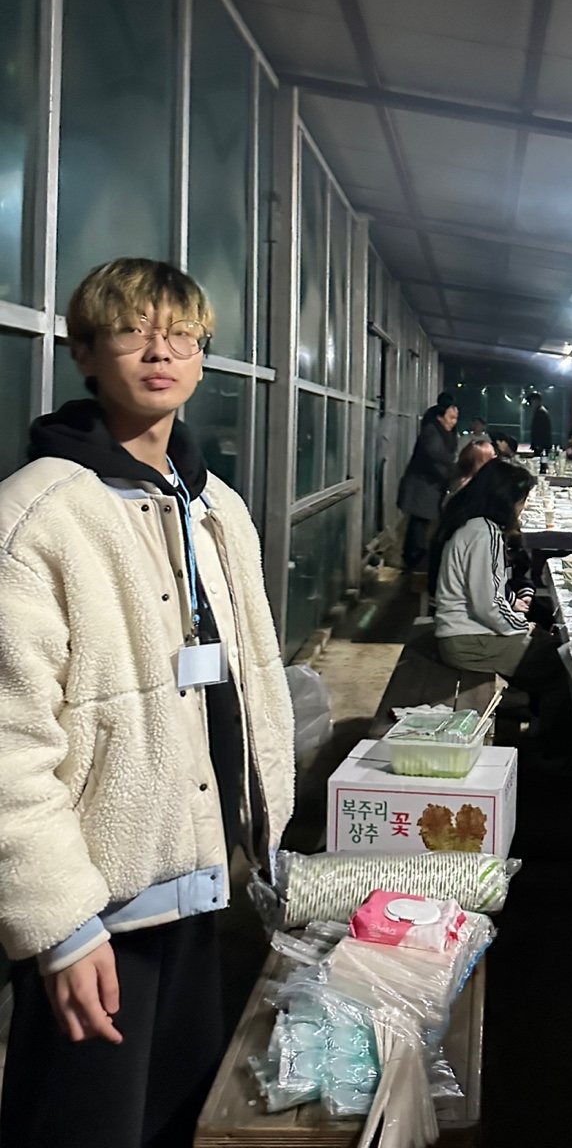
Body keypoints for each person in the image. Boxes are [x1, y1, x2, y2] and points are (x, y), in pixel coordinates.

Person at [0, 258, 295, 1148]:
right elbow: (11, 743)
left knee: (175, 1117)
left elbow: (249, 681)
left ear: (203, 355)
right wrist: (61, 925)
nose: (160, 352)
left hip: (198, 876)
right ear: (85, 353)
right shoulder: (37, 517)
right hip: (101, 905)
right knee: (84, 1125)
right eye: (132, 331)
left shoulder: (216, 508)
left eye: (181, 335)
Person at [430, 460, 570, 746]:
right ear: (506, 500)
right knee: (563, 664)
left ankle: (536, 722)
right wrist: (522, 627)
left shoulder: (472, 525)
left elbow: (486, 593)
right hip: (467, 640)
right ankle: (552, 750)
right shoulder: (485, 533)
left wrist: (519, 620)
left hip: (462, 633)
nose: (523, 507)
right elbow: (487, 606)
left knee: (547, 647)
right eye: (523, 500)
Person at [398, 400, 459, 568]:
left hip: (428, 487)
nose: (454, 422)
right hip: (421, 487)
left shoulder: (442, 432)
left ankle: (413, 560)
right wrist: (454, 477)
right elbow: (437, 461)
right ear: (440, 417)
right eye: (451, 417)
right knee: (419, 524)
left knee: (420, 524)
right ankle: (414, 561)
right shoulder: (432, 434)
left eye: (456, 418)